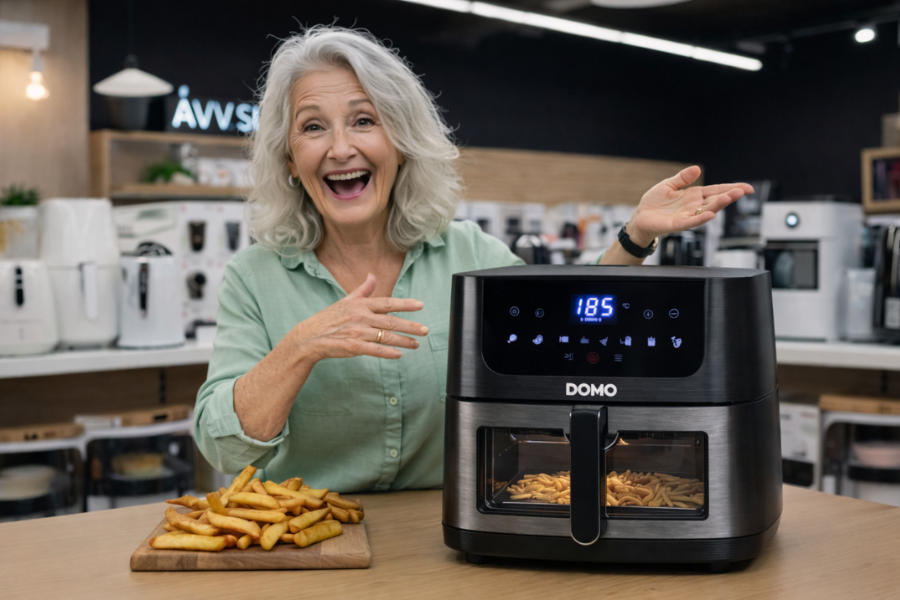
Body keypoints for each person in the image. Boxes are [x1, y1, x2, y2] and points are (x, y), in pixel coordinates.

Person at [194, 26, 753, 491]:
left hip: (448, 542)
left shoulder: (468, 252)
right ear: (290, 159)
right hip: (309, 543)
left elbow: (564, 334)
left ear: (402, 142)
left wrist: (634, 235)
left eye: (365, 120)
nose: (341, 148)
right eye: (313, 127)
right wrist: (300, 347)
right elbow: (222, 445)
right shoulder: (254, 277)